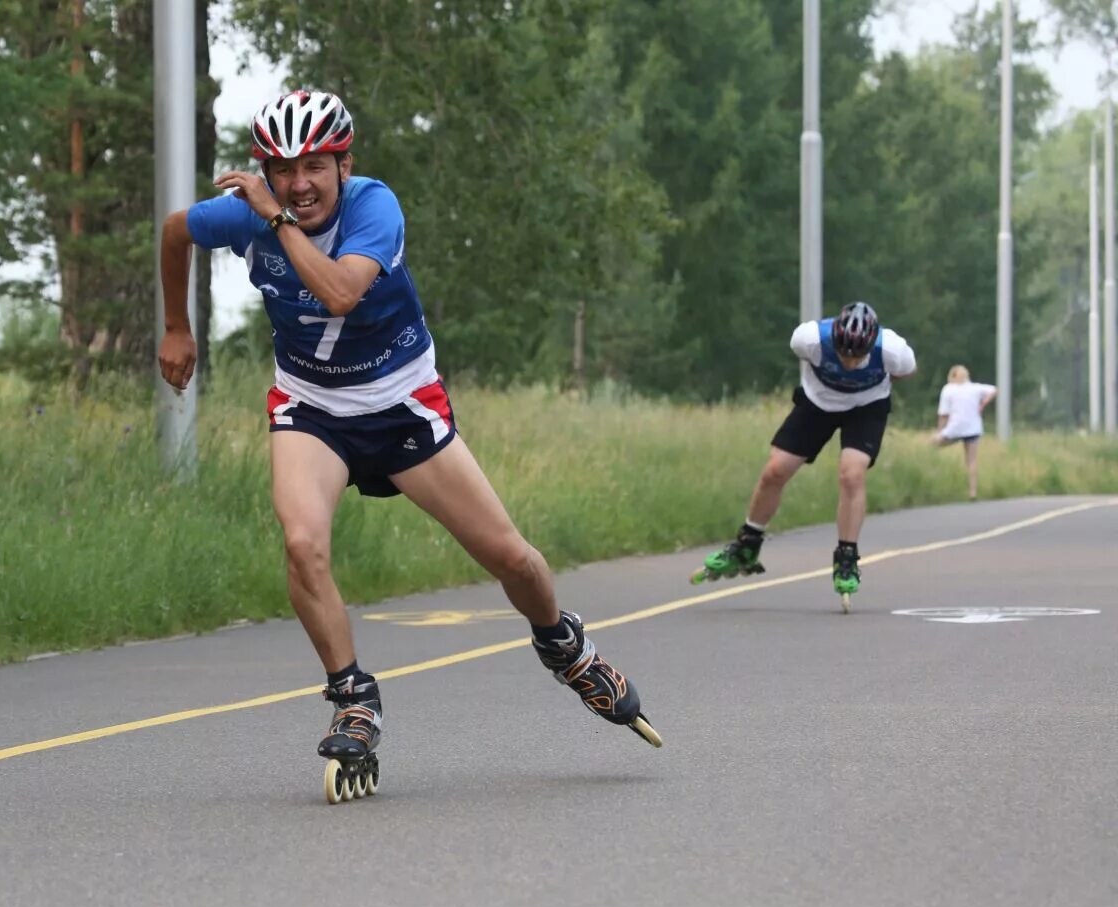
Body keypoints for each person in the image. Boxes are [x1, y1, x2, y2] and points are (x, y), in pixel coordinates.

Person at [157, 90, 661, 776]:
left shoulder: (374, 208)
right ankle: (353, 700)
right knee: (303, 545)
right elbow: (175, 230)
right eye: (281, 170)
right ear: (264, 170)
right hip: (311, 406)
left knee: (511, 558)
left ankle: (566, 648)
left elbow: (339, 292)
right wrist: (178, 327)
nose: (299, 184)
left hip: (399, 404)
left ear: (344, 164)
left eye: (314, 167)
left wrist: (272, 217)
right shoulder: (245, 212)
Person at [691, 302, 916, 602]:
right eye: (842, 354)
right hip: (817, 404)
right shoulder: (808, 339)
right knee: (775, 470)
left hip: (867, 408)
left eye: (857, 356)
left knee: (852, 474)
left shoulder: (893, 350)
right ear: (833, 339)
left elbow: (904, 373)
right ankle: (747, 544)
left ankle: (847, 558)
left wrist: (864, 387)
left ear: (872, 345)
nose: (849, 362)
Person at [931, 365, 997, 501]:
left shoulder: (948, 389)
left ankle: (933, 477)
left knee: (933, 446)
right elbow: (994, 390)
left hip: (954, 428)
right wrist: (983, 404)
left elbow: (943, 414)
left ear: (952, 376)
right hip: (973, 429)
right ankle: (973, 493)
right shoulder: (975, 388)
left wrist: (940, 431)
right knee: (971, 461)